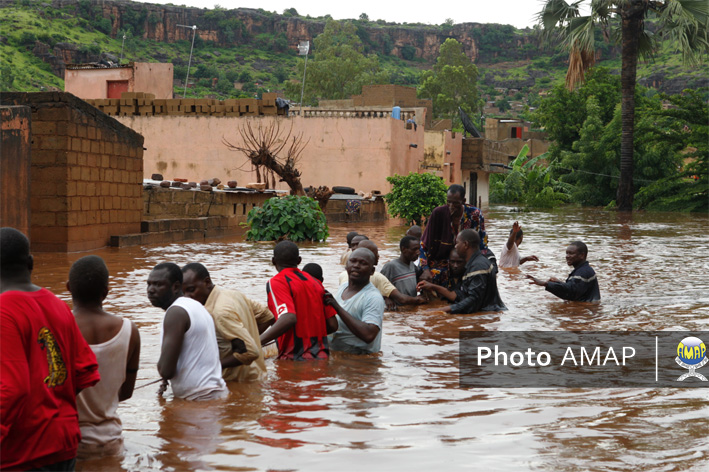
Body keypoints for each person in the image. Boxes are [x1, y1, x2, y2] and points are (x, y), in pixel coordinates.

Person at [0, 227, 100, 471]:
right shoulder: (58, 305)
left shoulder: (3, 310)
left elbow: (11, 389)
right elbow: (86, 371)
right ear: (31, 263)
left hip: (21, 453)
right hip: (63, 444)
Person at [69, 255, 140, 459]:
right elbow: (126, 392)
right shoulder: (129, 330)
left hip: (72, 442)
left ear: (68, 288)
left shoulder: (59, 326)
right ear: (106, 293)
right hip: (111, 442)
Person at [181, 263, 274, 382]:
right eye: (183, 293)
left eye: (191, 290)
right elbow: (266, 316)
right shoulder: (233, 294)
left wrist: (208, 367)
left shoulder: (220, 313)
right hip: (258, 377)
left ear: (207, 282)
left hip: (240, 383)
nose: (187, 297)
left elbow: (250, 352)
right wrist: (249, 339)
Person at [148, 262, 227, 401]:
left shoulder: (176, 313)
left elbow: (167, 369)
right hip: (214, 395)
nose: (151, 290)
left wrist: (162, 370)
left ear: (176, 287)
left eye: (158, 284)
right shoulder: (195, 305)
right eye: (149, 284)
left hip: (200, 400)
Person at [260, 241, 339, 360]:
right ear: (299, 261)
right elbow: (333, 325)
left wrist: (257, 341)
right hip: (322, 357)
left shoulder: (276, 282)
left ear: (273, 261)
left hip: (294, 358)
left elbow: (288, 318)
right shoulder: (316, 283)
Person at [420, 229, 505, 314]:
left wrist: (441, 310)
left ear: (465, 244)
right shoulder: (476, 263)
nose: (455, 246)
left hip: (487, 316)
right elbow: (461, 295)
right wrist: (433, 287)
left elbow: (472, 301)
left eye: (457, 243)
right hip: (488, 315)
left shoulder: (477, 266)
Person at [419, 184, 488, 287]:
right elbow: (424, 245)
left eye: (455, 203)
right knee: (430, 276)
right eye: (448, 202)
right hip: (441, 261)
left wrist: (478, 264)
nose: (451, 206)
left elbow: (482, 243)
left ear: (463, 201)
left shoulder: (475, 215)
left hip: (466, 260)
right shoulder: (438, 213)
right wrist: (425, 269)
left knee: (480, 276)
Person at [326, 248, 386, 354]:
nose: (356, 266)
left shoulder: (373, 297)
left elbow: (369, 335)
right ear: (346, 266)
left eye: (363, 263)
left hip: (359, 359)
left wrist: (337, 307)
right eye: (353, 261)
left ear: (372, 271)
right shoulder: (343, 287)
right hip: (339, 355)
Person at [339, 240, 426, 309]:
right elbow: (401, 298)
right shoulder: (379, 276)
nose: (378, 255)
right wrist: (419, 299)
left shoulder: (343, 276)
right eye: (376, 252)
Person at [527, 241, 601, 302]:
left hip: (585, 311)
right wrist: (559, 282)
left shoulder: (582, 272)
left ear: (582, 255)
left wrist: (545, 284)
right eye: (567, 253)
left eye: (571, 253)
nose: (567, 256)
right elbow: (575, 288)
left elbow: (571, 292)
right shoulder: (584, 269)